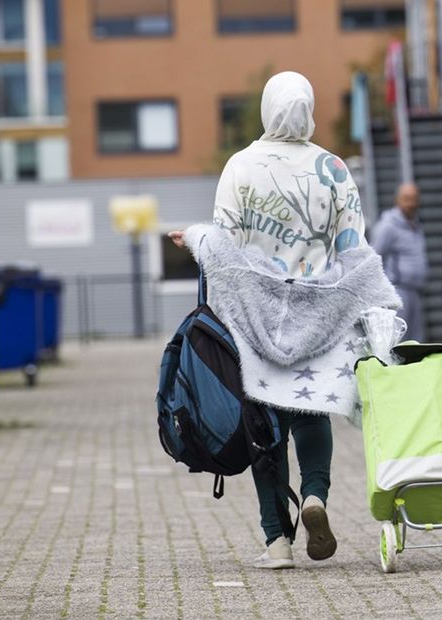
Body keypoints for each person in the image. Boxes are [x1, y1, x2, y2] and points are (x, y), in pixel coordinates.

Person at [171, 71, 399, 570]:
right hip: (320, 311)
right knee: (313, 410)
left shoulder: (240, 166)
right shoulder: (333, 167)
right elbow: (352, 247)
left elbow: (227, 244)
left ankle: (278, 542)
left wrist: (192, 237)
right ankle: (314, 495)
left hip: (255, 314)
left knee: (263, 425)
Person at [371, 182, 428, 342]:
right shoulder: (388, 226)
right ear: (397, 200)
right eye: (407, 199)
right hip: (398, 292)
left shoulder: (414, 225)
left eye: (415, 199)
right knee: (398, 339)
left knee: (415, 340)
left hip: (415, 291)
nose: (411, 204)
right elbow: (374, 258)